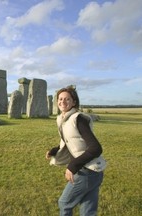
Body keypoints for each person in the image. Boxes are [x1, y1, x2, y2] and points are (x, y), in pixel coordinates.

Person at [45, 85, 106, 216]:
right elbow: (70, 140)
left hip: (86, 171)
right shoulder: (63, 119)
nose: (62, 102)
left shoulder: (78, 119)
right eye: (60, 99)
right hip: (94, 173)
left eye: (67, 99)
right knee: (87, 211)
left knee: (64, 203)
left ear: (74, 102)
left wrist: (72, 166)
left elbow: (96, 148)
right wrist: (54, 151)